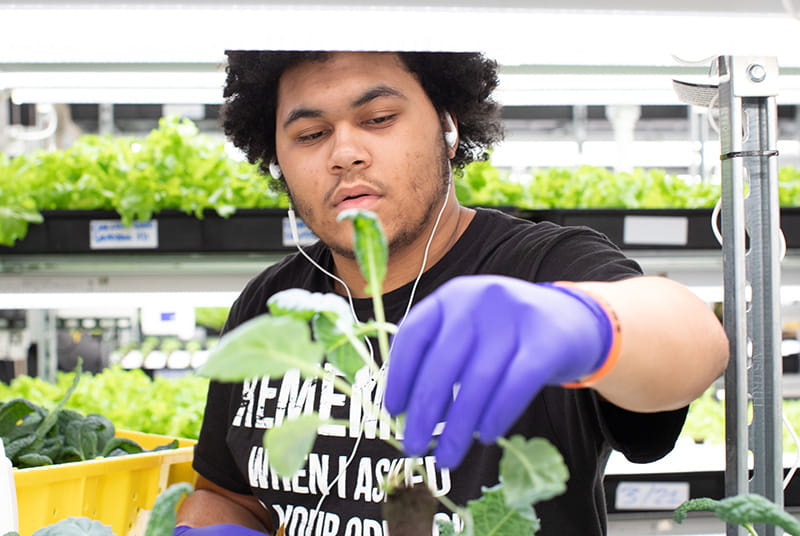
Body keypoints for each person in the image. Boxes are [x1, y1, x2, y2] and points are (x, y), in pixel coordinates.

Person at [175, 50, 729, 536]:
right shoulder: (269, 305)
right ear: (278, 158)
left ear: (447, 127)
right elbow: (228, 493)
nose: (344, 153)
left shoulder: (539, 268)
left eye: (379, 118)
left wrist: (584, 322)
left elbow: (695, 341)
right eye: (311, 135)